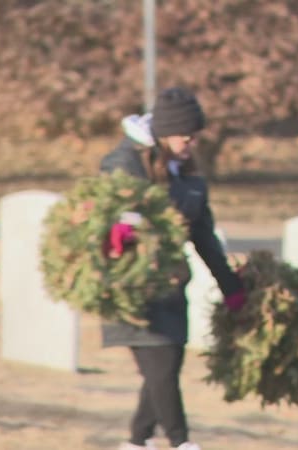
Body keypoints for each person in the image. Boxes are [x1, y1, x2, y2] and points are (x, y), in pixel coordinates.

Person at [99, 86, 247, 450]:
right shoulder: (127, 162)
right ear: (164, 133)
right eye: (185, 134)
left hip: (171, 286)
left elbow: (204, 237)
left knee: (163, 371)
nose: (191, 141)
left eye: (195, 135)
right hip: (133, 288)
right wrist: (120, 227)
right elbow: (111, 203)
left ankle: (137, 441)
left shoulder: (190, 178)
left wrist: (231, 288)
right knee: (162, 369)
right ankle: (181, 443)